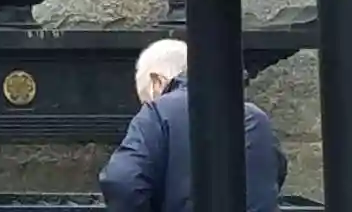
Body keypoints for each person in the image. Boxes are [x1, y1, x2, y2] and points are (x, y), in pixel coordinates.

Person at [99, 39, 288, 212]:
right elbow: (274, 173)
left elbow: (123, 181)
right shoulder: (257, 118)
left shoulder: (158, 112)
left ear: (157, 82)